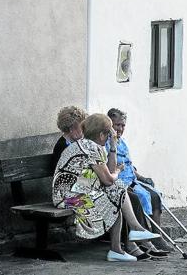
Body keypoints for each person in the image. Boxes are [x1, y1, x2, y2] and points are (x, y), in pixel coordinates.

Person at [52, 113, 160, 262]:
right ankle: (133, 231)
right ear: (102, 134)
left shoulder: (92, 146)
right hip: (68, 198)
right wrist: (117, 172)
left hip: (81, 191)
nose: (112, 136)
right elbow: (109, 179)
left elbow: (107, 173)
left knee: (116, 196)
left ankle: (118, 248)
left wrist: (113, 148)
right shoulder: (89, 147)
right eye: (110, 133)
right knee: (116, 188)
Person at [106, 108, 172, 255]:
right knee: (138, 198)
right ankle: (142, 240)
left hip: (131, 179)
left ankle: (157, 236)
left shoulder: (122, 142)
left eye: (123, 125)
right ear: (109, 125)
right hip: (119, 182)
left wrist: (141, 177)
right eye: (117, 125)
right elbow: (110, 168)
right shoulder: (107, 143)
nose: (120, 129)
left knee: (155, 195)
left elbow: (129, 164)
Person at [51, 106, 87, 170]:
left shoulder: (73, 142)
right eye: (82, 127)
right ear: (71, 128)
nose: (84, 130)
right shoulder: (62, 146)